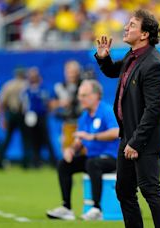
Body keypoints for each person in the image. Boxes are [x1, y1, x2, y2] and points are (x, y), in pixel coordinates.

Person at [94, 9, 160, 228]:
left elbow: (154, 108)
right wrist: (103, 58)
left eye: (132, 25)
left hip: (142, 138)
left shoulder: (154, 63)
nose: (126, 28)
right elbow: (113, 72)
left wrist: (136, 142)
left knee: (150, 190)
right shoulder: (132, 55)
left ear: (145, 34)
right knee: (124, 190)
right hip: (128, 135)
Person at [46, 79, 119, 221]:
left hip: (112, 158)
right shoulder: (85, 116)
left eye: (84, 95)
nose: (80, 99)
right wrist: (71, 150)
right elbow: (79, 139)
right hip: (93, 158)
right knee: (64, 164)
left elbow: (116, 132)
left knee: (92, 163)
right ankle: (66, 207)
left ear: (96, 95)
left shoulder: (107, 110)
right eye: (79, 95)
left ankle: (96, 208)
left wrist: (92, 137)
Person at [21, 67, 57, 168]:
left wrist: (49, 111)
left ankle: (53, 161)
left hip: (42, 116)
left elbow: (48, 102)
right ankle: (36, 161)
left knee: (46, 139)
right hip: (31, 117)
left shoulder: (43, 88)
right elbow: (24, 104)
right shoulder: (27, 90)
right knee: (34, 140)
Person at [0, 68, 27, 169]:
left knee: (7, 139)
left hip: (11, 113)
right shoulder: (26, 85)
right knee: (25, 139)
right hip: (23, 114)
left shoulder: (9, 85)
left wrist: (3, 118)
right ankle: (26, 163)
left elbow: (2, 103)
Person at [49, 60, 82, 150]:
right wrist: (60, 103)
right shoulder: (59, 87)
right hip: (67, 123)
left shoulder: (84, 85)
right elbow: (50, 105)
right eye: (69, 72)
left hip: (83, 124)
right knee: (68, 151)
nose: (72, 75)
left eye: (74, 72)